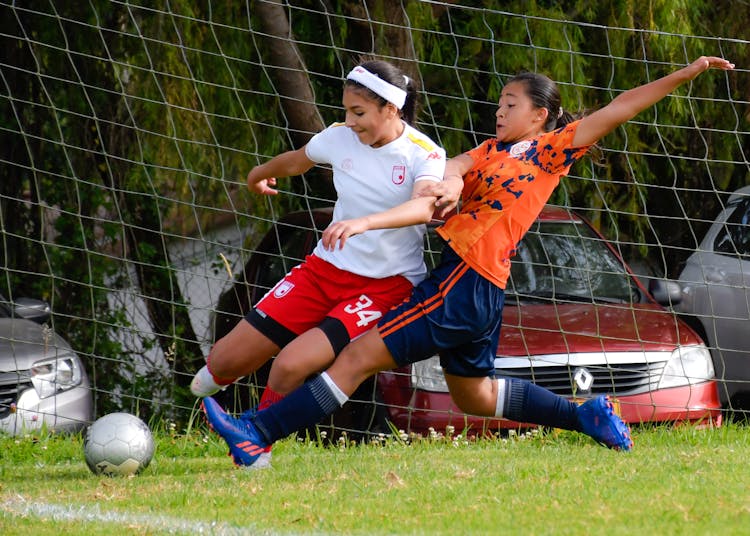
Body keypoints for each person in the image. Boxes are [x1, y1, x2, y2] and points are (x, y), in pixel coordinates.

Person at [202, 56, 735, 467]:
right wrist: (445, 187)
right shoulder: (484, 152)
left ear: (540, 115)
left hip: (462, 283)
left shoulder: (552, 150)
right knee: (476, 396)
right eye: (499, 103)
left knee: (357, 357)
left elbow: (621, 107)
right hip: (480, 289)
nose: (499, 111)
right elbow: (450, 169)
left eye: (510, 103)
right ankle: (585, 414)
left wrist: (685, 74)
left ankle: (257, 433)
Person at [191, 60, 447, 465]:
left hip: (383, 286)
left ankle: (253, 444)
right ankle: (219, 422)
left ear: (391, 110)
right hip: (323, 270)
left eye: (358, 113)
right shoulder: (340, 137)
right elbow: (297, 160)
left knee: (292, 364)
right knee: (221, 362)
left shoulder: (424, 153)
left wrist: (363, 223)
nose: (349, 121)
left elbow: (423, 206)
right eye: (346, 110)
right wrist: (259, 173)